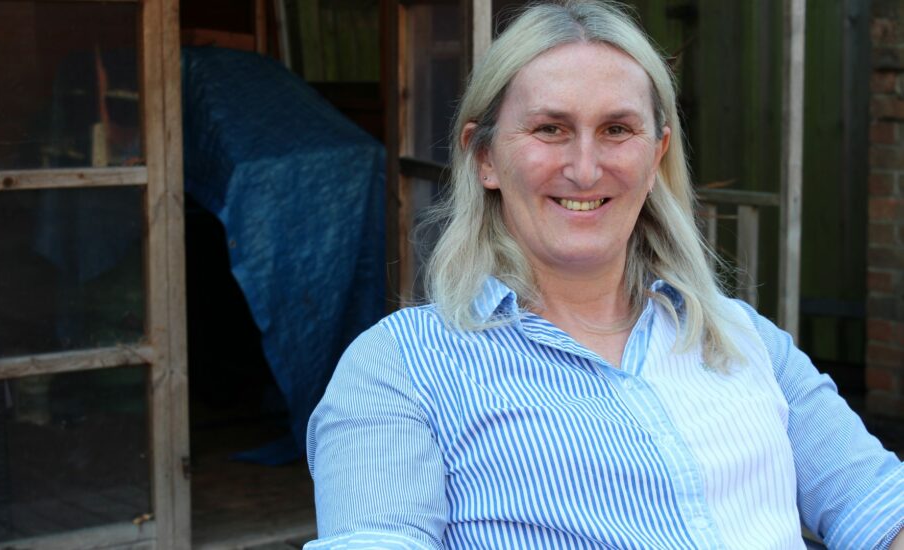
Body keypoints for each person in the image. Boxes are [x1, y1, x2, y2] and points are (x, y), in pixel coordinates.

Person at [305, 1, 904, 548]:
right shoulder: (401, 368)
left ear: (655, 157)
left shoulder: (743, 340)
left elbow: (879, 508)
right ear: (483, 156)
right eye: (550, 129)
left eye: (617, 130)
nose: (585, 169)